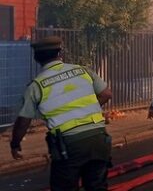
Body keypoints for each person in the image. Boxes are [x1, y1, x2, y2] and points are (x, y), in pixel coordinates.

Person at [10, 36, 113, 191]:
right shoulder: (83, 70)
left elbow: (23, 120)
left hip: (68, 146)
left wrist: (15, 144)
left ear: (37, 58)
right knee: (96, 186)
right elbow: (106, 94)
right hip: (98, 139)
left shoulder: (36, 86)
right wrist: (85, 110)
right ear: (60, 53)